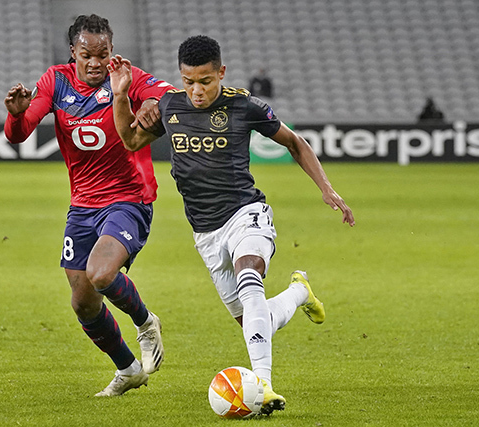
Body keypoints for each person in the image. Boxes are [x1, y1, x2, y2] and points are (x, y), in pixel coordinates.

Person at [108, 35, 355, 414]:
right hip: (205, 232)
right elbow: (129, 140)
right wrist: (121, 95)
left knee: (249, 276)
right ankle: (298, 292)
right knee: (256, 320)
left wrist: (327, 188)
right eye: (189, 81)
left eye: (205, 81)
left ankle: (263, 385)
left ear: (221, 73)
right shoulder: (170, 107)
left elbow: (295, 142)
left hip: (246, 214)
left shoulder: (244, 106)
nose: (197, 90)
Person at [4, 14, 173, 397]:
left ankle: (146, 323)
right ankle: (128, 369)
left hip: (128, 198)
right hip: (82, 205)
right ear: (73, 53)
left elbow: (165, 94)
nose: (96, 63)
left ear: (111, 51)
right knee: (82, 302)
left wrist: (150, 102)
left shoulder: (124, 76)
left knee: (101, 273)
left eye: (103, 54)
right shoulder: (56, 80)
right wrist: (15, 115)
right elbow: (20, 133)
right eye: (87, 56)